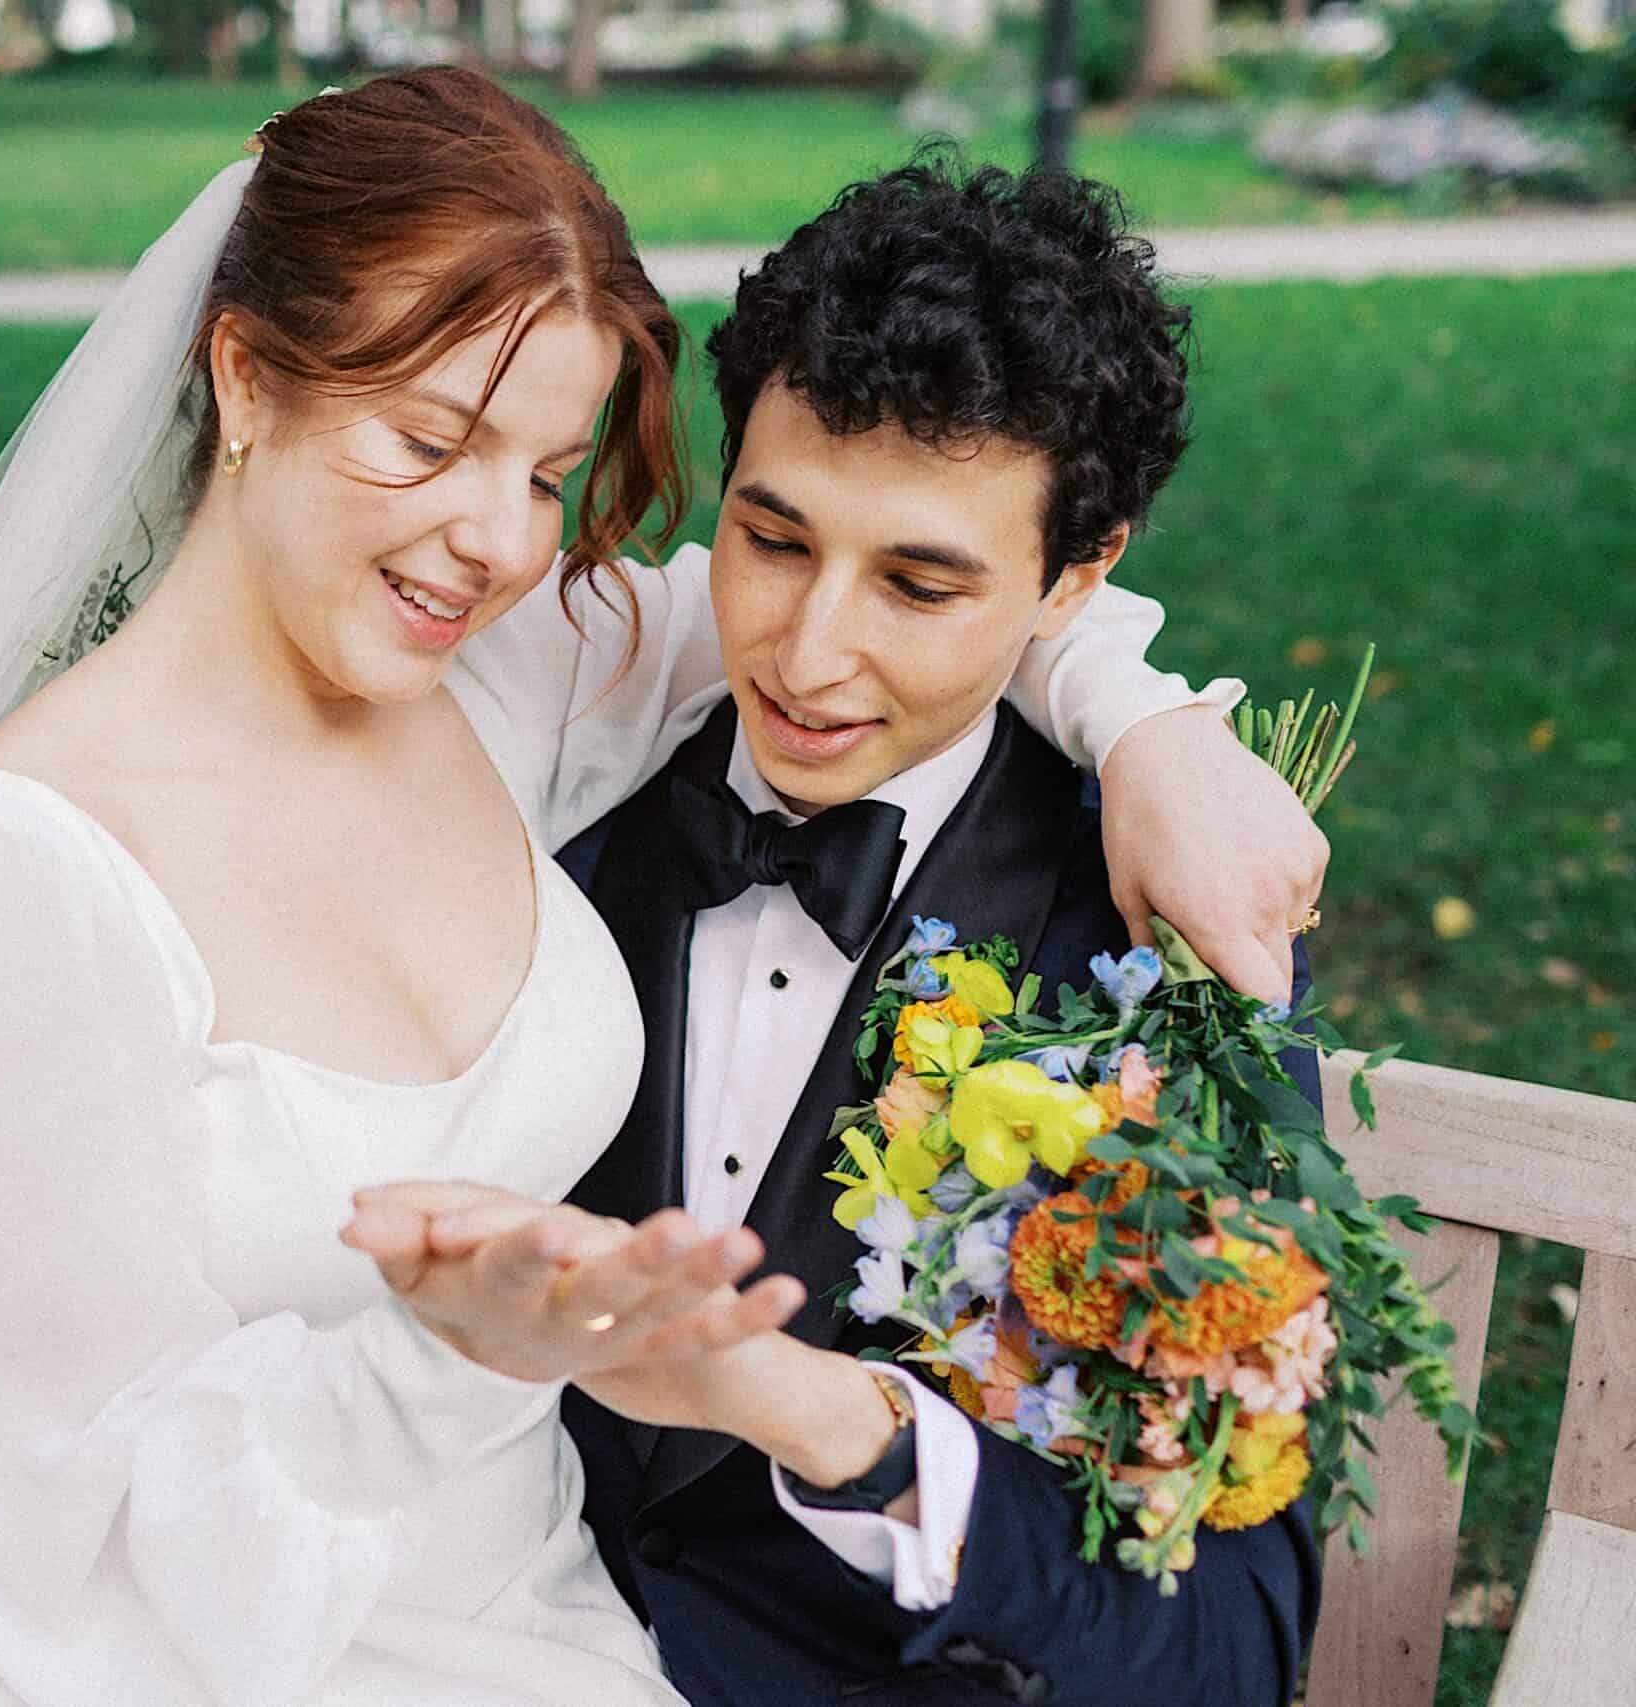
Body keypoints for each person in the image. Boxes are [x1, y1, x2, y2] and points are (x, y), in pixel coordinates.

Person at [0, 71, 1324, 1707]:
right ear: (244, 377)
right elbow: (54, 1524)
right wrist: (444, 1354)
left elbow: (1227, 1615)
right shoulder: (19, 872)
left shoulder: (511, 679)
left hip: (552, 1631)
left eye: (553, 475)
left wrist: (1150, 721)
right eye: (431, 444)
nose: (498, 540)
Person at [346, 156, 1324, 1707]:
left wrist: (835, 1425)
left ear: (1079, 576)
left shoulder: (1158, 956)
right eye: (774, 539)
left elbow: (1222, 1651)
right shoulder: (571, 793)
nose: (806, 654)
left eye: (921, 585)